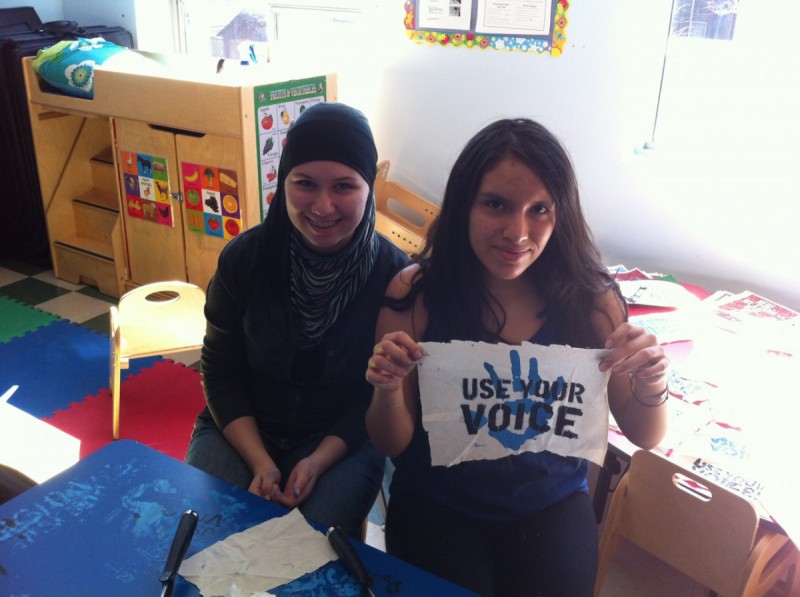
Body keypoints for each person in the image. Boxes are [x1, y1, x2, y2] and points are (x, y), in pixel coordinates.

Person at [365, 118, 669, 595]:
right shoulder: (416, 294)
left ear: (561, 213)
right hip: (437, 501)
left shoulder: (592, 302)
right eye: (496, 205)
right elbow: (390, 443)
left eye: (539, 209)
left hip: (550, 503)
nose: (518, 232)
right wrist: (387, 390)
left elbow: (645, 434)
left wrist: (652, 382)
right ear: (465, 204)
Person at [186, 102, 408, 538]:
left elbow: (375, 396)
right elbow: (219, 369)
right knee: (208, 539)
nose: (323, 206)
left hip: (340, 439)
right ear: (283, 181)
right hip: (241, 426)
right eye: (305, 183)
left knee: (310, 552)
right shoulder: (244, 258)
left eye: (344, 186)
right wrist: (261, 462)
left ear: (369, 187)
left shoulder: (394, 277)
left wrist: (318, 460)